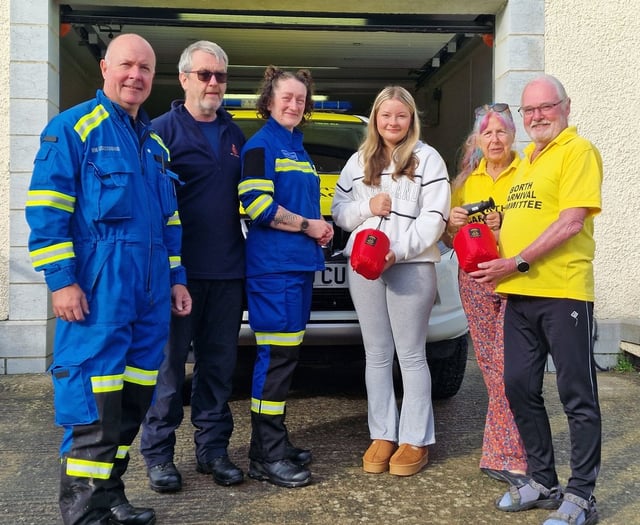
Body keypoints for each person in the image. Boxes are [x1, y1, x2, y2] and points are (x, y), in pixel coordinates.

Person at [25, 34, 192, 525]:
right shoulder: (74, 128)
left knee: (131, 403)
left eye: (144, 68)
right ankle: (83, 513)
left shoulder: (155, 145)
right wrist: (61, 280)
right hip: (98, 292)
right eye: (126, 65)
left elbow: (169, 223)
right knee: (92, 405)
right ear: (104, 68)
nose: (135, 76)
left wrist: (177, 278)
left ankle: (110, 496)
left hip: (149, 295)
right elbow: (47, 210)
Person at [472, 75, 602, 525]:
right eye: (529, 111)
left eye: (546, 107)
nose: (537, 116)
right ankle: (544, 482)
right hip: (519, 296)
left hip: (563, 292)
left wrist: (517, 262)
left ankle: (582, 495)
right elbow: (515, 222)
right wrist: (489, 234)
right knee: (518, 386)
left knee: (576, 395)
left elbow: (570, 222)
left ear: (565, 107)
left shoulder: (577, 151)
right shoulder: (527, 160)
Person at [139, 41, 246, 492]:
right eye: (204, 75)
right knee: (167, 371)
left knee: (218, 367)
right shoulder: (158, 133)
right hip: (177, 275)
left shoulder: (237, 135)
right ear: (183, 78)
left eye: (220, 76)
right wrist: (165, 273)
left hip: (227, 272)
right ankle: (159, 456)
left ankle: (212, 451)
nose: (213, 83)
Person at [331, 86, 450, 477]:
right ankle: (382, 433)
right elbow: (340, 213)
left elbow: (436, 218)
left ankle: (414, 439)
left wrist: (397, 250)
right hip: (363, 268)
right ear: (376, 119)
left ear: (411, 118)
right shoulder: (358, 160)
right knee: (377, 355)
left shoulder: (428, 159)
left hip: (410, 265)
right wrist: (368, 206)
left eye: (401, 116)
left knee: (412, 355)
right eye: (386, 116)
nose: (392, 123)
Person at [237, 65, 333, 488]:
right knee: (275, 359)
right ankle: (265, 455)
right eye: (286, 97)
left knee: (286, 357)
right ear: (270, 101)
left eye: (300, 99)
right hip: (274, 271)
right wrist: (309, 226)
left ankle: (274, 441)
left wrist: (321, 227)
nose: (294, 104)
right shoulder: (261, 147)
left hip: (295, 269)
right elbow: (257, 205)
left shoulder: (298, 148)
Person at [444, 103, 527, 484]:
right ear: (477, 139)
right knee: (492, 366)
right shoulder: (463, 182)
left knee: (510, 367)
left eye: (501, 132)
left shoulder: (526, 172)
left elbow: (536, 223)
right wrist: (452, 222)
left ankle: (507, 451)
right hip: (474, 279)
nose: (495, 139)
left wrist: (505, 221)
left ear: (512, 135)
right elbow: (448, 240)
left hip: (514, 279)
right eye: (488, 133)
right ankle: (502, 451)